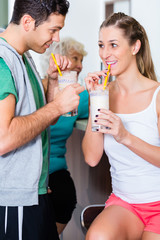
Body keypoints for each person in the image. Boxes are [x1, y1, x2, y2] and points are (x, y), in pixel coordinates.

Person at [0, 0, 85, 240]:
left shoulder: (24, 58)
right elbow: (3, 138)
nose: (56, 39)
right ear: (27, 22)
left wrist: (53, 83)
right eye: (53, 30)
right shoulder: (3, 62)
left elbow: (39, 122)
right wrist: (58, 105)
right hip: (12, 200)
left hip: (34, 192)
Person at [82, 12, 160, 240]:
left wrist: (125, 136)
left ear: (135, 47)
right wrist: (96, 99)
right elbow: (91, 158)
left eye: (113, 45)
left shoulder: (156, 95)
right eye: (101, 45)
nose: (105, 54)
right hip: (126, 204)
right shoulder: (103, 94)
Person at [40, 37, 89, 234]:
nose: (79, 66)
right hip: (30, 172)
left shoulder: (79, 97)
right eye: (74, 59)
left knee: (64, 195)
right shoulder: (37, 89)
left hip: (57, 171)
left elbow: (107, 98)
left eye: (81, 60)